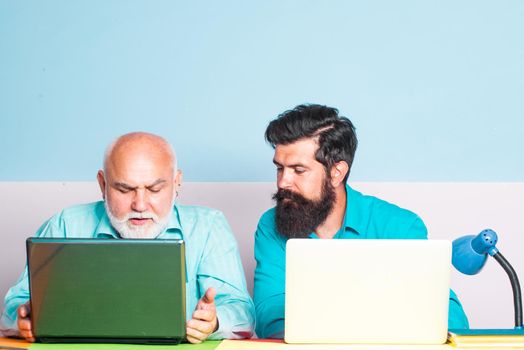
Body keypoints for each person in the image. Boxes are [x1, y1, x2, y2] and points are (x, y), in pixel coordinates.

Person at [0, 132, 255, 343]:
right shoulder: (65, 225)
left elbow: (242, 312)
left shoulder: (208, 227)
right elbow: (14, 306)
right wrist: (24, 316)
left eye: (155, 189)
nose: (140, 204)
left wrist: (213, 322)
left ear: (177, 183)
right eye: (124, 189)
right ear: (103, 184)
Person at [253, 104, 469, 339]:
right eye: (279, 168)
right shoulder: (270, 225)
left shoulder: (399, 226)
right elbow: (270, 317)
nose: (283, 182)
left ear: (336, 173)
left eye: (298, 170)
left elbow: (450, 317)